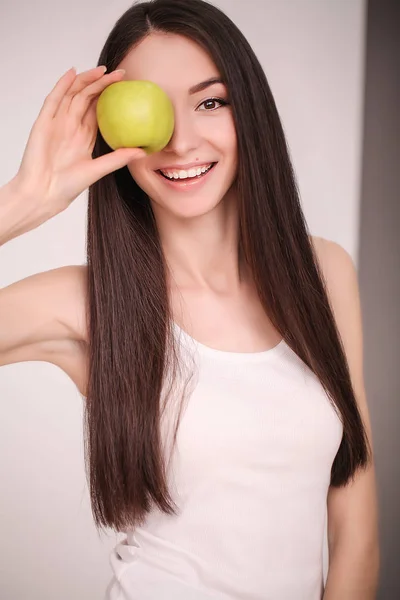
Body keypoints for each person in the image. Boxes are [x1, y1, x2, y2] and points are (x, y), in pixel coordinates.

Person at [0, 0, 379, 598]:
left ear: (247, 109)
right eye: (150, 109)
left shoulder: (325, 272)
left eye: (210, 102)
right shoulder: (83, 304)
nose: (178, 141)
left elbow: (357, 535)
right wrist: (23, 200)